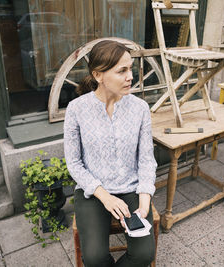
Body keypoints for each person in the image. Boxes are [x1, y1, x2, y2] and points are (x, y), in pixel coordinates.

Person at [64, 40, 157, 267]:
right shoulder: (76, 109)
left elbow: (146, 160)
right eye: (122, 71)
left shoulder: (140, 109)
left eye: (131, 69)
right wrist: (105, 196)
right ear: (98, 75)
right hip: (93, 191)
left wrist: (144, 204)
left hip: (132, 188)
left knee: (145, 254)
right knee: (94, 258)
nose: (130, 77)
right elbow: (74, 163)